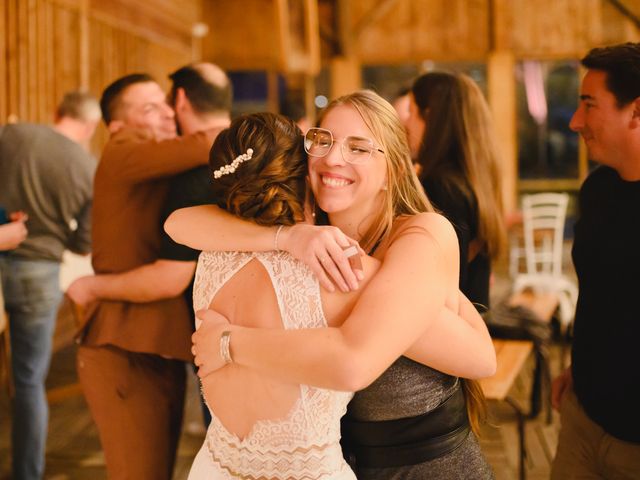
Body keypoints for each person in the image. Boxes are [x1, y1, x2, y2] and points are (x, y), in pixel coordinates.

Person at [167, 90, 496, 479]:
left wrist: (227, 343)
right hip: (345, 462)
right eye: (323, 140)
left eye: (359, 148)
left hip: (424, 467)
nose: (332, 157)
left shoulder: (422, 235)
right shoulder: (311, 229)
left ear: (394, 170)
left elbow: (356, 361)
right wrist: (288, 238)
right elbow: (179, 223)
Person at [186, 111, 378, 478]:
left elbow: (177, 222)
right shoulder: (346, 270)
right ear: (305, 175)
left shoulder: (209, 254)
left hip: (213, 467)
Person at [74, 71, 221, 479]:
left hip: (149, 342)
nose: (166, 115)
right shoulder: (124, 147)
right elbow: (209, 141)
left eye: (166, 104)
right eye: (149, 108)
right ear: (116, 125)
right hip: (123, 343)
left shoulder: (157, 163)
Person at [550, 42, 640, 479]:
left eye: (589, 105)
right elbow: (604, 293)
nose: (574, 121)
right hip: (582, 419)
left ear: (636, 112)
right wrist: (580, 365)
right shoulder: (598, 190)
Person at [0, 91, 100, 480]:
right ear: (90, 126)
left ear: (57, 112)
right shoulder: (87, 167)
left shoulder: (11, 134)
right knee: (28, 381)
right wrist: (62, 240)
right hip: (39, 270)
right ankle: (27, 473)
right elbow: (86, 241)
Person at [405, 72, 506, 308]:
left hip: (451, 333)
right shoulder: (472, 180)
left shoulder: (440, 186)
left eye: (411, 112)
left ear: (431, 118)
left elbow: (447, 286)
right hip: (474, 323)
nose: (406, 122)